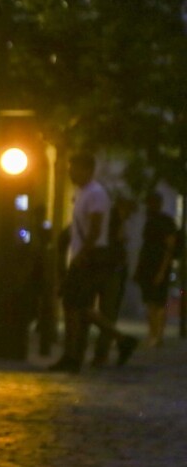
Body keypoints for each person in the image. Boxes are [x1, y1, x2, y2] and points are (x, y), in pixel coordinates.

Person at [48, 152, 137, 372]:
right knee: (76, 306)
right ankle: (77, 353)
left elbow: (96, 229)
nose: (70, 173)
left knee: (77, 305)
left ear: (87, 170)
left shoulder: (96, 194)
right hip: (84, 255)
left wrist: (81, 255)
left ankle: (79, 354)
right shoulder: (82, 193)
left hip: (90, 257)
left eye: (74, 168)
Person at [134, 191, 180, 348]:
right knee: (150, 302)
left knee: (158, 303)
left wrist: (162, 270)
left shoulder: (166, 222)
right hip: (148, 266)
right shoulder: (151, 220)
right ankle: (152, 333)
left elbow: (169, 247)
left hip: (158, 266)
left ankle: (158, 335)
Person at [93, 195, 135, 366]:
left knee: (106, 312)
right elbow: (116, 241)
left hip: (111, 268)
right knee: (106, 312)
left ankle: (103, 353)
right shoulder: (114, 220)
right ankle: (110, 348)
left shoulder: (115, 220)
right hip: (110, 269)